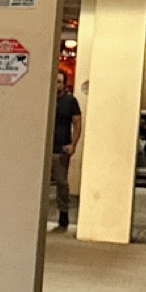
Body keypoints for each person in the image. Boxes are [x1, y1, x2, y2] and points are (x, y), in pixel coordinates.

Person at [51, 71, 82, 230]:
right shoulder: (46, 99)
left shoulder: (70, 101)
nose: (56, 85)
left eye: (59, 82)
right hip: (45, 148)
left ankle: (63, 213)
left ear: (64, 84)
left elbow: (77, 123)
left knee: (61, 182)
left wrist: (73, 144)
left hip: (61, 147)